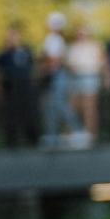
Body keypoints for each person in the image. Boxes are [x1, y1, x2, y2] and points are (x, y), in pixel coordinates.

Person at [0, 24, 38, 148]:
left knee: (29, 116)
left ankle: (32, 141)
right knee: (11, 118)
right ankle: (11, 143)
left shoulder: (26, 52)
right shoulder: (2, 55)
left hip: (25, 90)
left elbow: (33, 69)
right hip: (10, 91)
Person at [39, 13, 74, 144]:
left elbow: (54, 59)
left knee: (59, 105)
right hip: (56, 75)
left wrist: (46, 69)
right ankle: (53, 135)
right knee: (53, 106)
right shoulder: (56, 38)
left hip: (55, 75)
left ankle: (76, 130)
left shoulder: (54, 38)